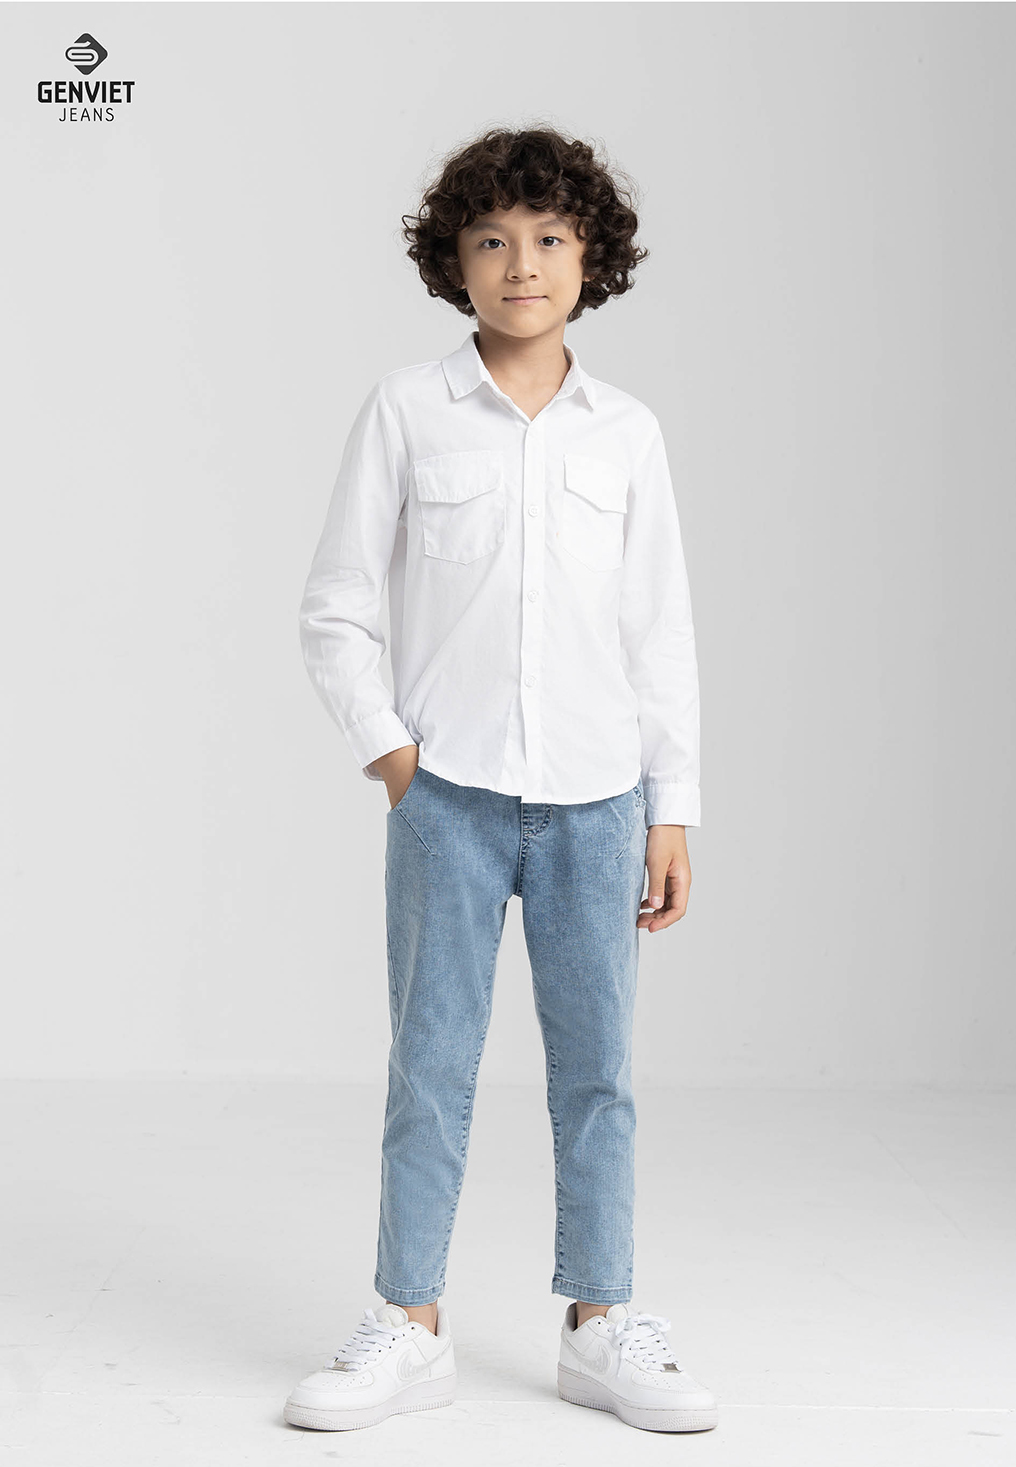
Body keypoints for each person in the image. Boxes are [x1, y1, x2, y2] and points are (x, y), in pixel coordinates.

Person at [284, 126, 717, 1435]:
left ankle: (601, 1324)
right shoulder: (406, 412)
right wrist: (395, 756)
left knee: (599, 1072)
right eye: (491, 240)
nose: (520, 264)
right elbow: (335, 607)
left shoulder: (626, 434)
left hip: (599, 799)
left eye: (548, 238)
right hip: (451, 799)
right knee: (430, 1065)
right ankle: (407, 1326)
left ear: (592, 258)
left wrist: (671, 807)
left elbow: (659, 633)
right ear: (453, 262)